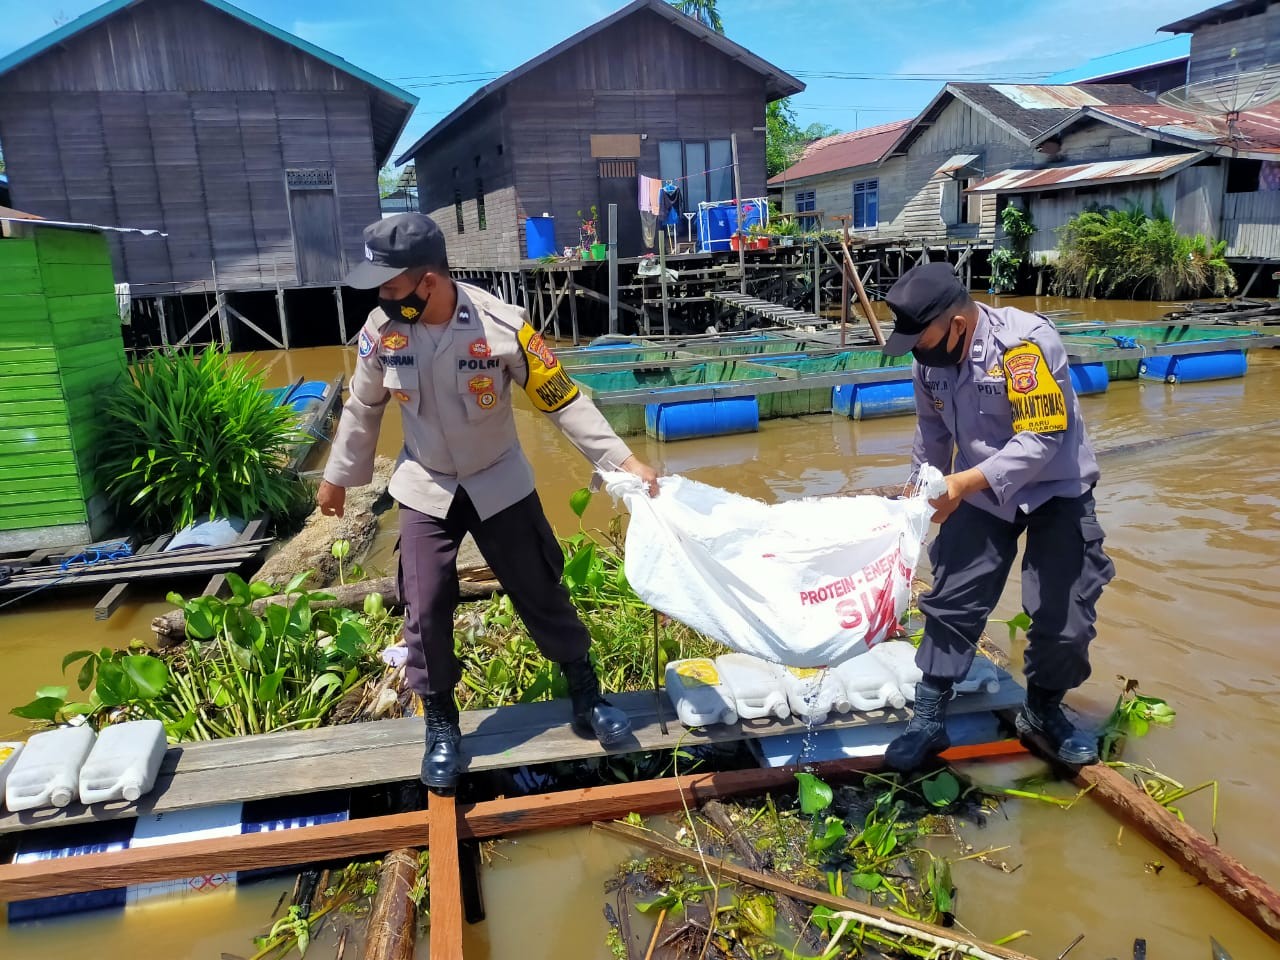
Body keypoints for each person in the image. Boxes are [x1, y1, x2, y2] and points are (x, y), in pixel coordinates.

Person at [318, 213, 659, 792]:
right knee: (422, 606)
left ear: (427, 281)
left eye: (390, 285)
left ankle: (586, 696)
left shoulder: (503, 327)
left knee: (540, 589)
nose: (381, 296)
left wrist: (622, 461)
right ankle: (443, 728)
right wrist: (337, 478)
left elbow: (562, 398)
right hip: (426, 485)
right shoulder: (381, 332)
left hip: (499, 480)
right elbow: (363, 405)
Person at [879, 262, 1115, 770]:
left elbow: (1042, 439)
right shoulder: (929, 361)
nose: (917, 348)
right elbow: (932, 433)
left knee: (1065, 614)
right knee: (952, 596)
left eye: (922, 336)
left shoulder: (1024, 346)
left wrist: (961, 483)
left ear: (956, 326)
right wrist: (922, 490)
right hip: (982, 491)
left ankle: (1043, 710)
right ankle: (929, 716)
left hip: (1057, 487)